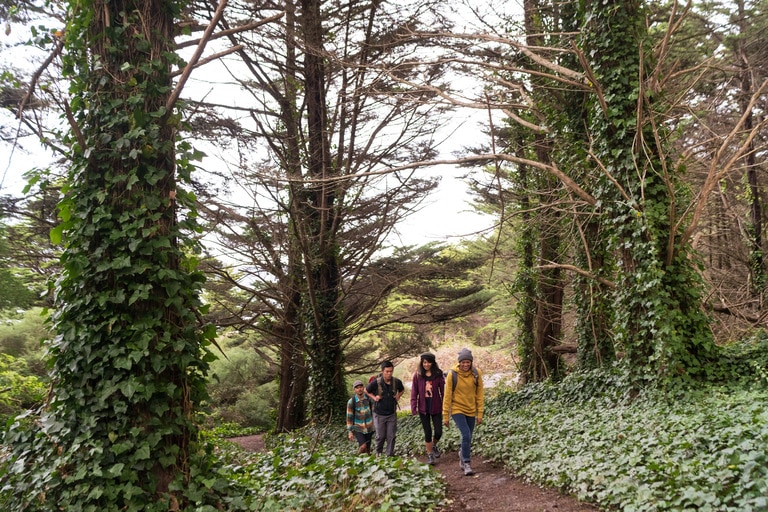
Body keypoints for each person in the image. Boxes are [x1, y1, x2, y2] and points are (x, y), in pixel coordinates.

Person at [443, 348, 484, 476]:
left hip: (471, 409)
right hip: (457, 409)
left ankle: (462, 453)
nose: (465, 365)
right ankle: (466, 463)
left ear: (471, 362)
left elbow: (480, 394)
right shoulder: (452, 374)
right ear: (459, 362)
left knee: (469, 437)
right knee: (466, 435)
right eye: (463, 362)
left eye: (468, 362)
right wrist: (445, 415)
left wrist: (480, 413)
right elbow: (447, 395)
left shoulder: (476, 374)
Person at [411, 352, 445, 465]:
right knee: (428, 432)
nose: (426, 364)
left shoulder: (438, 374)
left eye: (428, 362)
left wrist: (445, 405)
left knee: (439, 431)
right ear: (422, 363)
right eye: (424, 362)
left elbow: (443, 391)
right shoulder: (418, 375)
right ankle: (430, 455)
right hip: (423, 408)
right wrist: (413, 407)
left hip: (436, 406)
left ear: (432, 363)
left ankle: (434, 445)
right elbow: (414, 392)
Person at [365, 360, 404, 456]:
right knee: (380, 436)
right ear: (382, 371)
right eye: (387, 371)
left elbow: (402, 389)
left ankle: (389, 455)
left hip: (391, 413)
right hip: (379, 414)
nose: (389, 373)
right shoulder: (376, 382)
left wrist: (398, 395)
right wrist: (374, 397)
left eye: (391, 371)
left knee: (391, 436)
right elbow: (366, 390)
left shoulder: (396, 382)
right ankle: (378, 454)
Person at [346, 379, 374, 454]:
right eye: (357, 387)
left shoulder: (369, 399)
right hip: (358, 428)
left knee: (368, 449)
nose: (359, 389)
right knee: (363, 446)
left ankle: (366, 462)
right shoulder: (351, 402)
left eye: (361, 387)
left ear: (363, 387)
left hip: (369, 426)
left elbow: (374, 412)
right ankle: (357, 458)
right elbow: (349, 418)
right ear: (354, 390)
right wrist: (350, 432)